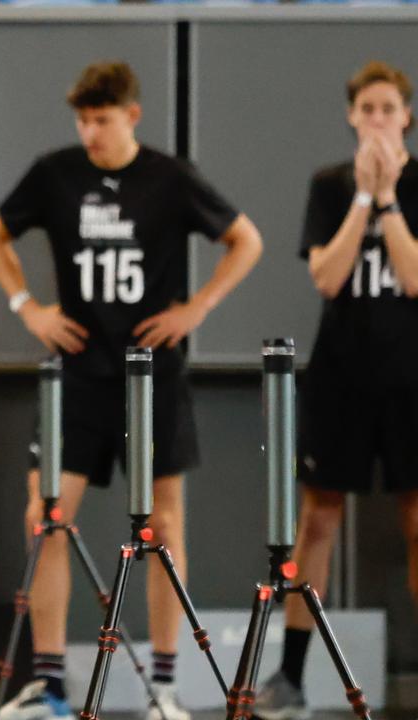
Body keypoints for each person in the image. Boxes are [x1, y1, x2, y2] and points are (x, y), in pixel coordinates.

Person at [0, 60, 263, 720]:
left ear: (131, 115)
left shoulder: (170, 177)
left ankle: (164, 687)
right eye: (82, 120)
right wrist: (28, 306)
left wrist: (199, 307)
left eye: (102, 120)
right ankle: (49, 687)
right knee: (45, 517)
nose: (90, 132)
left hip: (152, 374)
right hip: (79, 373)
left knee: (163, 524)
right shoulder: (56, 173)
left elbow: (246, 240)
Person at [254, 60, 418, 720]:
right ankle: (290, 676)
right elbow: (327, 276)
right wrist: (360, 198)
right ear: (352, 116)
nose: (377, 119)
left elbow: (413, 278)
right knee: (317, 520)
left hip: (410, 378)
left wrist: (387, 200)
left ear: (406, 116)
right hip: (340, 378)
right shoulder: (328, 184)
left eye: (388, 109)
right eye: (367, 109)